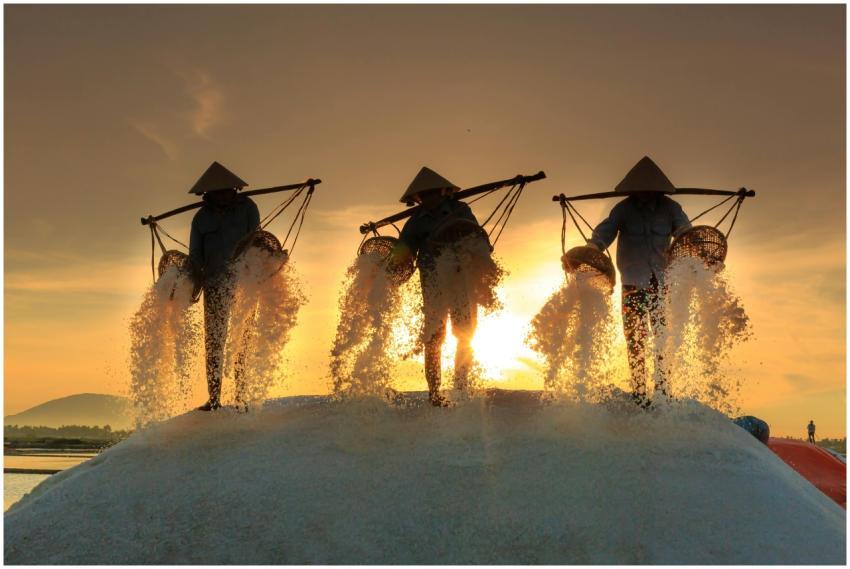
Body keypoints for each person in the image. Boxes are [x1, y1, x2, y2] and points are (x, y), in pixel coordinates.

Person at [586, 157, 691, 408]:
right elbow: (604, 232)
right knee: (635, 339)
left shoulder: (671, 209)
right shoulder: (623, 209)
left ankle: (664, 391)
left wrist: (690, 241)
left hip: (662, 284)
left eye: (648, 191)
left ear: (656, 190)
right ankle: (639, 392)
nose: (644, 195)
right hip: (633, 284)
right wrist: (592, 248)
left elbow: (685, 232)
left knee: (662, 338)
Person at [392, 167, 483, 407]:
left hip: (461, 278)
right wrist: (391, 264)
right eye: (424, 195)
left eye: (433, 193)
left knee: (464, 332)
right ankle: (434, 394)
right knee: (434, 337)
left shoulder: (460, 211)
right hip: (432, 283)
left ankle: (461, 388)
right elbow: (403, 252)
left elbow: (478, 238)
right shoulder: (415, 222)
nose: (429, 198)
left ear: (443, 192)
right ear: (418, 198)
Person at [188, 161, 260, 411]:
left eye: (227, 190)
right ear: (207, 194)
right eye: (217, 192)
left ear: (234, 189)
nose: (223, 195)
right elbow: (195, 254)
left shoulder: (248, 208)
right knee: (214, 342)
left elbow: (256, 240)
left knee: (243, 340)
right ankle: (214, 398)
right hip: (215, 284)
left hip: (244, 282)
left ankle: (241, 396)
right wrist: (190, 281)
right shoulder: (201, 218)